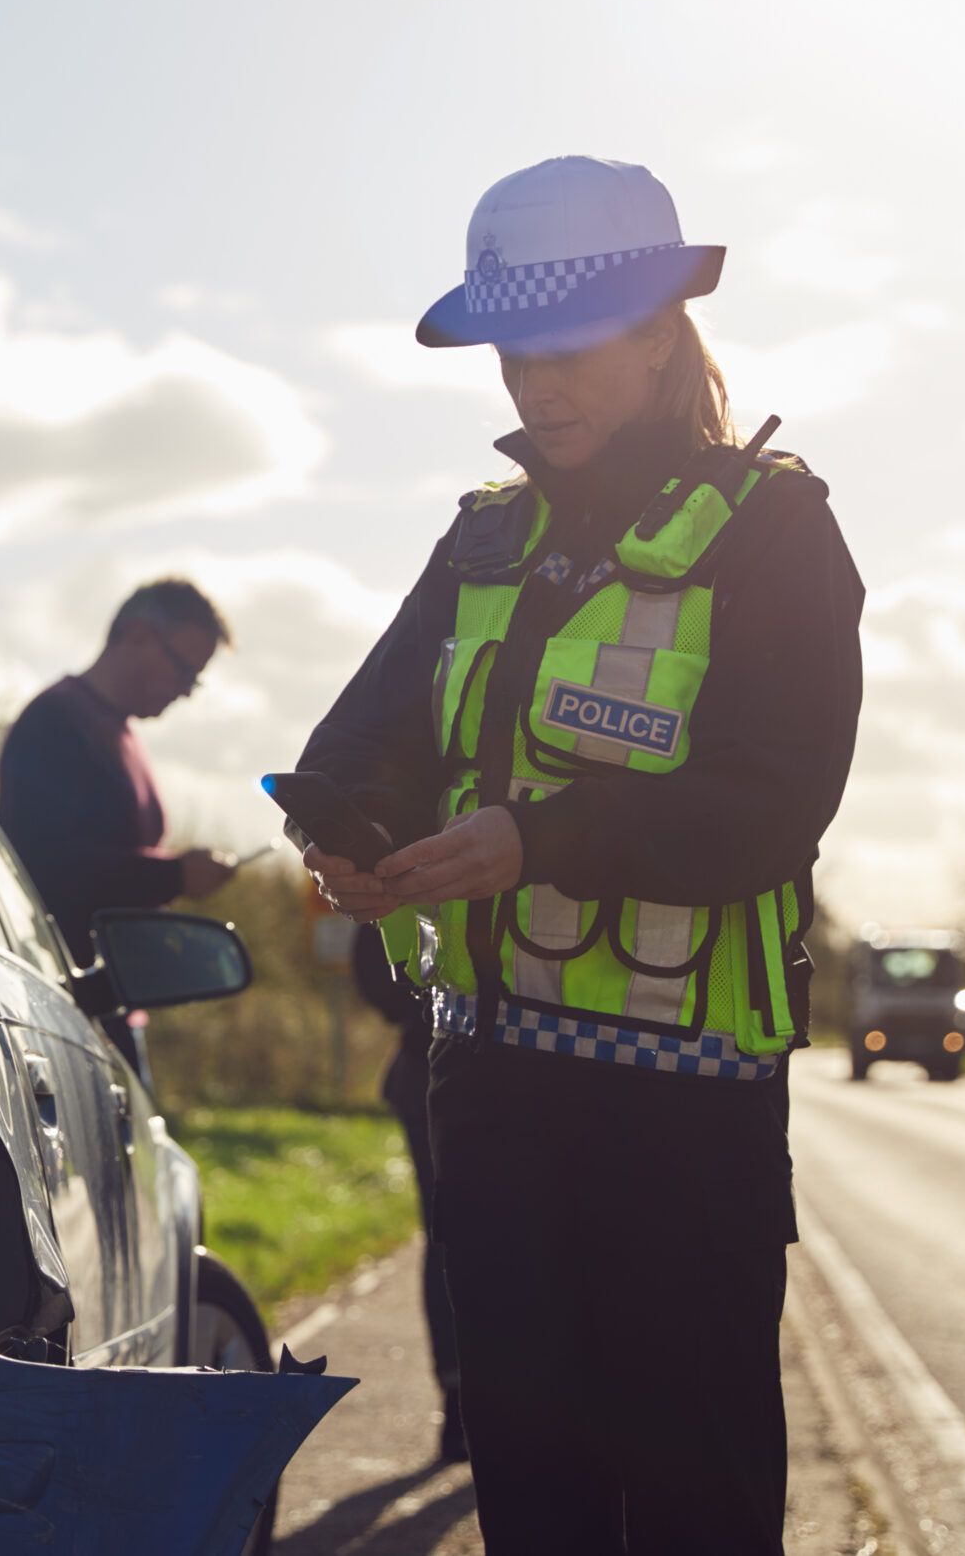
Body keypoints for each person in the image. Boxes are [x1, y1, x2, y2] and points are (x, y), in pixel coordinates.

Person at [294, 156, 863, 1555]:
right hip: (490, 1091)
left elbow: (776, 799)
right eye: (510, 354)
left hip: (687, 1123)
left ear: (662, 329)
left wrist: (537, 837)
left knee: (693, 1508)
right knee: (535, 1505)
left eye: (566, 348)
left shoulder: (775, 527)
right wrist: (350, 837)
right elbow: (364, 740)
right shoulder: (485, 537)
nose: (534, 386)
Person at [0, 578, 238, 967]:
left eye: (195, 680)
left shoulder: (121, 734)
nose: (185, 690)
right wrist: (175, 875)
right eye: (183, 670)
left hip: (108, 1007)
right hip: (63, 996)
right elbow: (41, 862)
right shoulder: (54, 722)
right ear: (137, 634)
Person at [347, 921, 465, 1463]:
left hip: (443, 1063)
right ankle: (462, 1396)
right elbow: (371, 946)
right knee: (452, 1233)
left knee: (455, 1233)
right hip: (434, 1064)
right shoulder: (418, 838)